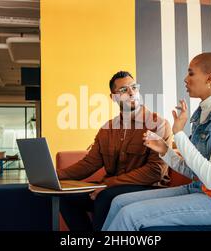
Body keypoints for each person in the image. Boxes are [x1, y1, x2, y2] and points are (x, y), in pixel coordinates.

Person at [102, 52, 211, 231]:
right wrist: (165, 151)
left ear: (209, 78)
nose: (185, 79)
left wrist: (179, 134)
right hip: (199, 188)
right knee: (119, 201)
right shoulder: (203, 114)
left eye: (191, 73)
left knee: (130, 215)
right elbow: (194, 172)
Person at [57, 71, 173, 231]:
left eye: (134, 87)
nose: (132, 93)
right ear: (113, 97)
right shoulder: (107, 128)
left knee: (105, 197)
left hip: (148, 187)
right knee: (66, 198)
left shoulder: (158, 124)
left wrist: (108, 184)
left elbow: (155, 171)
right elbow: (89, 163)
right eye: (124, 90)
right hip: (113, 187)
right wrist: (55, 176)